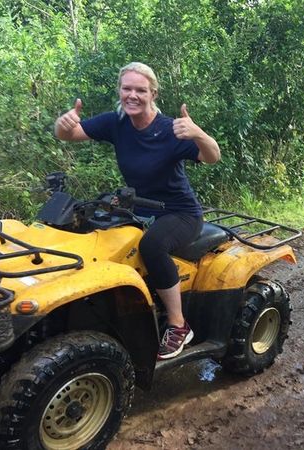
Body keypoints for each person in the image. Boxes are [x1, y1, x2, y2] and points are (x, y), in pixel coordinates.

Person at [54, 62, 221, 359]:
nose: (132, 95)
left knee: (152, 246)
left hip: (180, 213)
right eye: (127, 88)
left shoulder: (170, 130)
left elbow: (212, 156)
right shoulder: (116, 122)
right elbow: (69, 135)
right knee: (97, 233)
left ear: (153, 93)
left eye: (140, 90)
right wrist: (63, 125)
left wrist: (198, 133)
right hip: (139, 209)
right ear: (119, 91)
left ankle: (178, 325)